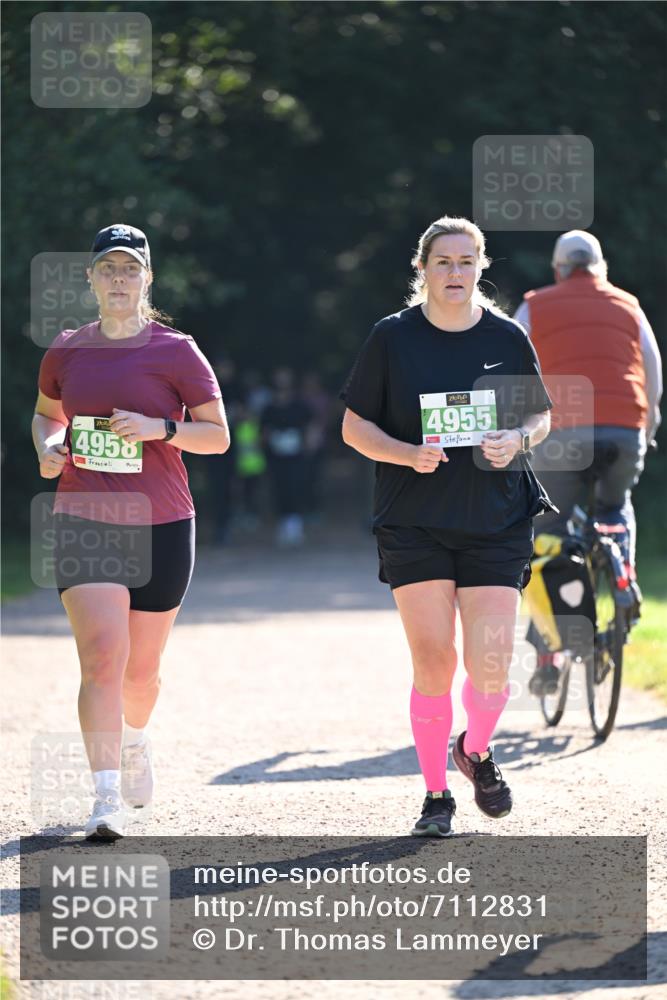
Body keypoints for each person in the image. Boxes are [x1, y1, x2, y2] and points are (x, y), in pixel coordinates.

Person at [340, 216, 554, 837]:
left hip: (495, 517)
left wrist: (515, 437)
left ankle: (475, 750)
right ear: (422, 269)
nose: (454, 273)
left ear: (481, 267)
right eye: (443, 262)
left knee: (490, 666)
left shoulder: (508, 337)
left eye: (466, 262)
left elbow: (539, 415)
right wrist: (407, 453)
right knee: (434, 659)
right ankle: (436, 796)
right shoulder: (392, 338)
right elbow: (355, 428)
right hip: (415, 520)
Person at [33, 224, 229, 840]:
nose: (119, 278)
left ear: (148, 279)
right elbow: (45, 418)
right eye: (108, 268)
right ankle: (105, 796)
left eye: (130, 269)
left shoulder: (177, 351)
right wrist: (50, 447)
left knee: (140, 673)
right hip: (84, 517)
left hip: (161, 523)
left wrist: (159, 429)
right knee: (101, 660)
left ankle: (136, 741)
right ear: (90, 278)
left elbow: (217, 436)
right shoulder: (66, 348)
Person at [514, 230, 662, 695]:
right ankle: (624, 574)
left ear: (559, 269)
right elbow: (654, 376)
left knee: (550, 537)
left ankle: (549, 654)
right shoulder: (629, 305)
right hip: (624, 429)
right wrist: (646, 432)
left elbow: (510, 365)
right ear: (600, 267)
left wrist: (517, 434)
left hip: (561, 434)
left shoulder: (534, 305)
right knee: (615, 506)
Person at [262, 367, 315, 547]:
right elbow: (264, 430)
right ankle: (283, 524)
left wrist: (308, 444)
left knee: (296, 486)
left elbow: (310, 426)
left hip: (296, 455)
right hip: (276, 456)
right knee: (279, 487)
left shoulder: (300, 405)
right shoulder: (269, 407)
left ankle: (295, 525)